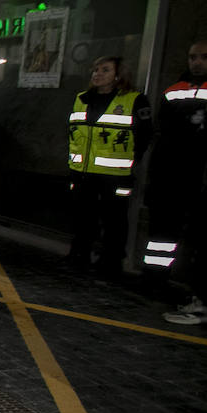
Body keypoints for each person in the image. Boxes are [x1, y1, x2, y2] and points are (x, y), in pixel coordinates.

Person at [66, 55, 152, 278]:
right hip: (83, 172)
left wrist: (133, 160)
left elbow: (144, 136)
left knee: (114, 220)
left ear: (118, 75)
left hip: (115, 175)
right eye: (95, 69)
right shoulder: (82, 98)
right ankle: (79, 254)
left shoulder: (134, 100)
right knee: (83, 217)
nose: (97, 74)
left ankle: (110, 262)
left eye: (105, 70)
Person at [148, 42, 207, 323]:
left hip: (198, 175)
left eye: (204, 57)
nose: (197, 62)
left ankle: (195, 292)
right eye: (193, 56)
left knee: (194, 237)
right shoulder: (174, 90)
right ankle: (156, 279)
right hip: (171, 173)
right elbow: (163, 132)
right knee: (162, 233)